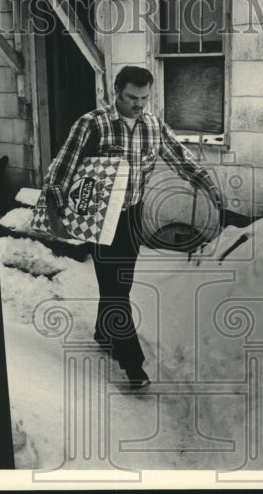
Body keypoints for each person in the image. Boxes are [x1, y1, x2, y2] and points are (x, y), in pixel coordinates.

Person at [42, 66, 222, 391]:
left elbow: (180, 156)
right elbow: (63, 165)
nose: (139, 104)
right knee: (115, 289)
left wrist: (206, 183)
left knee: (118, 285)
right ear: (116, 91)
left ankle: (103, 332)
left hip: (133, 217)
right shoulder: (93, 124)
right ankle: (132, 363)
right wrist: (55, 210)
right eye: (132, 97)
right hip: (102, 217)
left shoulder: (153, 126)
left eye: (144, 98)